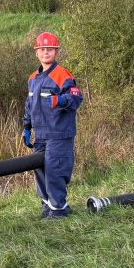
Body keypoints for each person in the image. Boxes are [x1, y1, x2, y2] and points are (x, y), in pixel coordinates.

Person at [22, 32, 83, 218]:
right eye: (42, 49)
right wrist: (26, 127)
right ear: (36, 53)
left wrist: (60, 101)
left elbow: (76, 97)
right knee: (39, 169)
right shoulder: (33, 78)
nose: (46, 52)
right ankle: (48, 207)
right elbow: (29, 104)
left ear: (55, 51)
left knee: (55, 170)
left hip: (59, 133)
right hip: (40, 135)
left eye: (50, 49)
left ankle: (59, 210)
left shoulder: (62, 75)